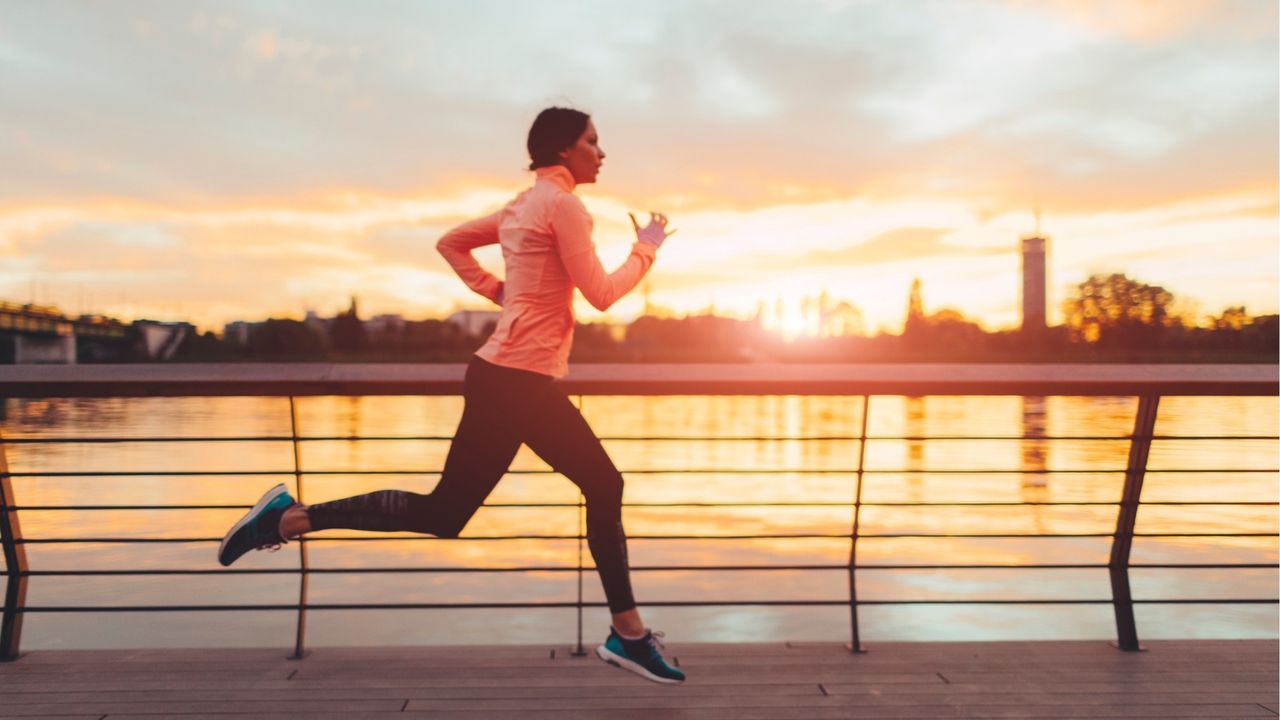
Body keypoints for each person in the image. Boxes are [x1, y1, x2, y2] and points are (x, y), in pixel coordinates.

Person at [217, 107, 684, 684]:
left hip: (500, 376)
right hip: (518, 381)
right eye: (593, 141)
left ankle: (286, 521)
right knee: (603, 484)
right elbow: (603, 294)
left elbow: (450, 243)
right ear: (565, 150)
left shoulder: (521, 206)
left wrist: (502, 293)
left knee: (445, 513)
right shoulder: (564, 207)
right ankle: (629, 634)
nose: (602, 152)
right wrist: (647, 247)